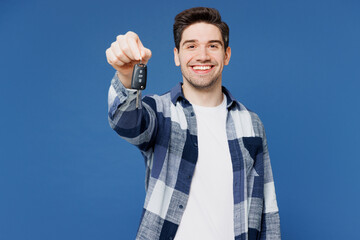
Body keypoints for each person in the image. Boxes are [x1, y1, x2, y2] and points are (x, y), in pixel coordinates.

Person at [106, 7, 280, 240]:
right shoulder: (160, 111)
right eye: (191, 45)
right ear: (177, 55)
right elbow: (125, 122)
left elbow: (267, 207)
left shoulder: (251, 123)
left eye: (213, 45)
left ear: (226, 55)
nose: (203, 55)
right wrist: (128, 76)